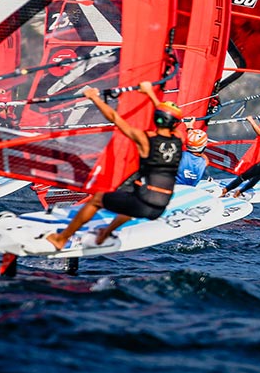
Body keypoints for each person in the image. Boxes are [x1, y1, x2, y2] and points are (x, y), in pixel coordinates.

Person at [40, 83, 184, 251]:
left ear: (156, 118)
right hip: (160, 206)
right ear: (174, 124)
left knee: (97, 200)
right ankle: (105, 233)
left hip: (144, 201)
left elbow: (115, 118)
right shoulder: (179, 139)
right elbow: (167, 119)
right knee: (130, 199)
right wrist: (150, 93)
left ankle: (61, 239)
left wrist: (93, 97)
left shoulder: (144, 139)